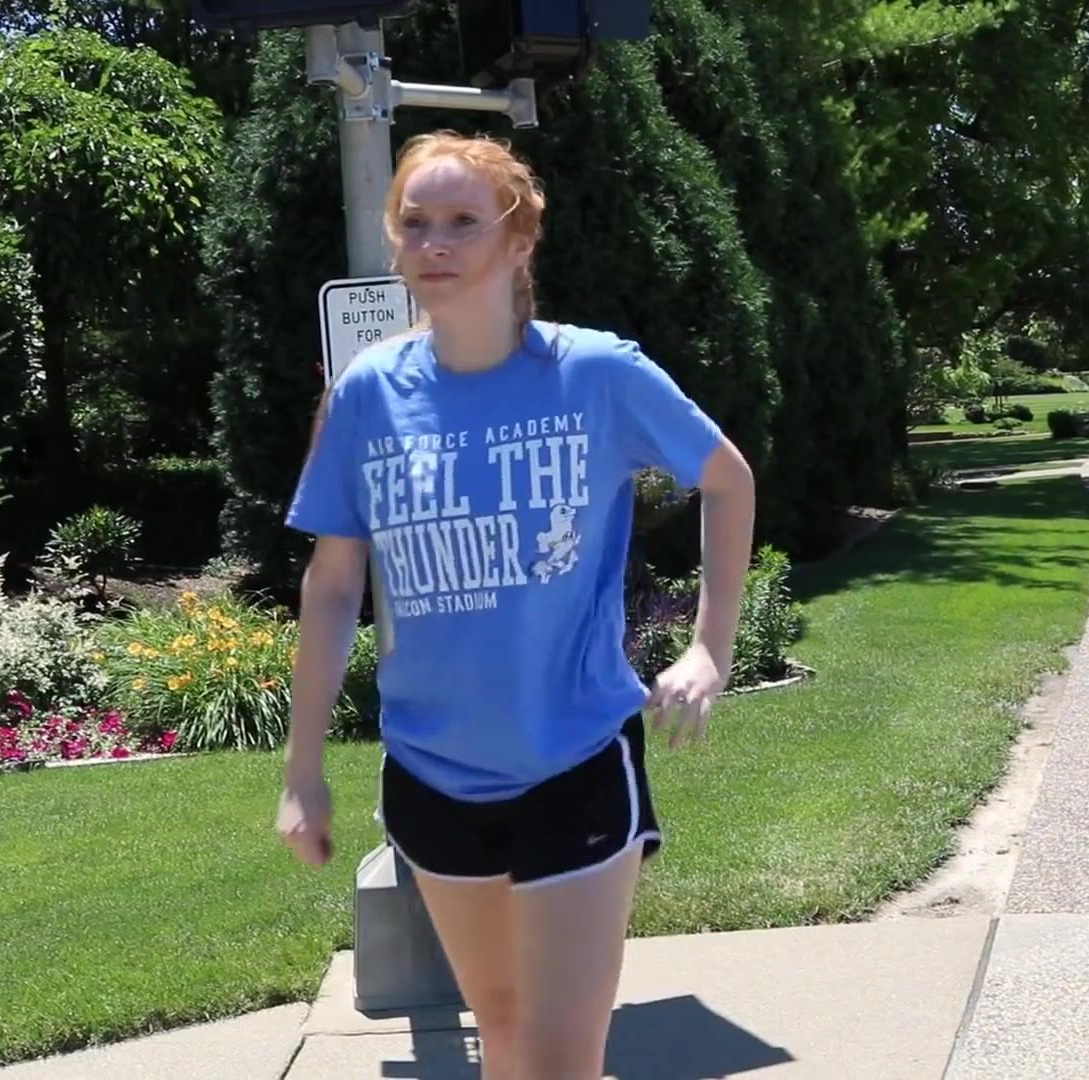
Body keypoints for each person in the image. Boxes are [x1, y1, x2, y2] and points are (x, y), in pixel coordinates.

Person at [276, 131, 758, 1079]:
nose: (435, 242)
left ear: (519, 240)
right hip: (432, 771)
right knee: (500, 1034)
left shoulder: (597, 374)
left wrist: (711, 647)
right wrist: (303, 770)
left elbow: (727, 478)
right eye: (415, 221)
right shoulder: (366, 396)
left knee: (563, 1055)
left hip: (574, 757)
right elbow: (332, 588)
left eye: (464, 221)